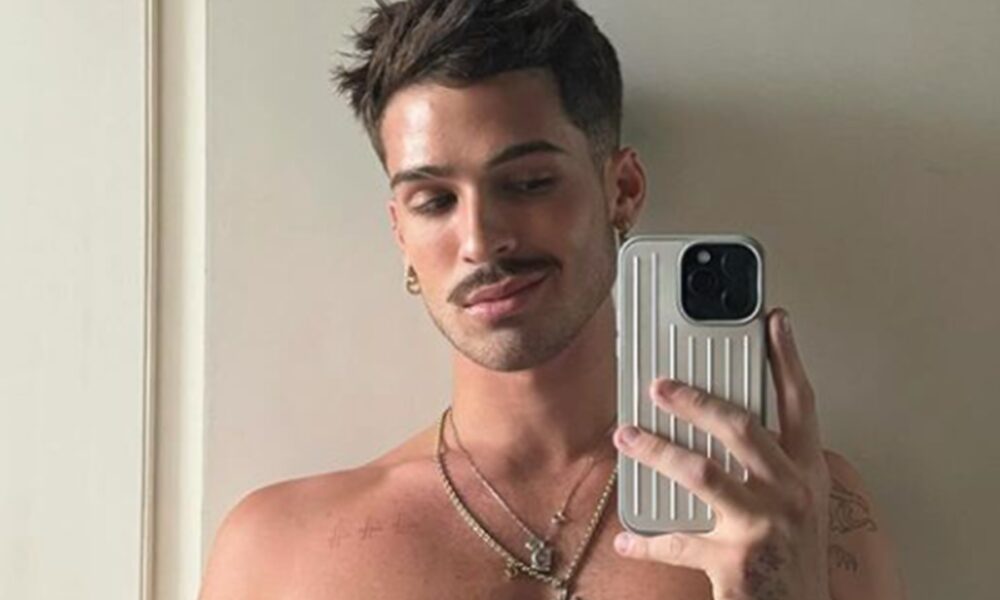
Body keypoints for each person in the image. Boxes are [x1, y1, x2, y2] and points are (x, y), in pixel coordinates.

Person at [199, 1, 907, 598]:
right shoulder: (279, 552)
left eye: (529, 183)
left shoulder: (794, 505)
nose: (481, 240)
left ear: (621, 190)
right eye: (435, 201)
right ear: (400, 235)